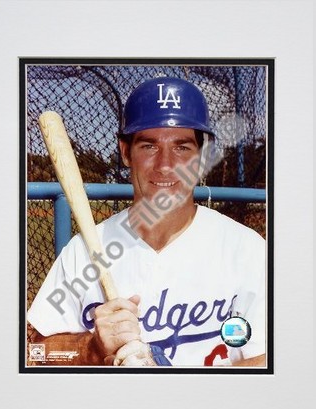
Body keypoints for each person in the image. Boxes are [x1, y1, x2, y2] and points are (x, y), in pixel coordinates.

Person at [27, 76, 266, 367]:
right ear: (126, 152)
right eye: (149, 146)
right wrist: (93, 349)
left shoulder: (246, 250)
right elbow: (34, 351)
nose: (165, 164)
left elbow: (265, 359)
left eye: (182, 147)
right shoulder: (83, 253)